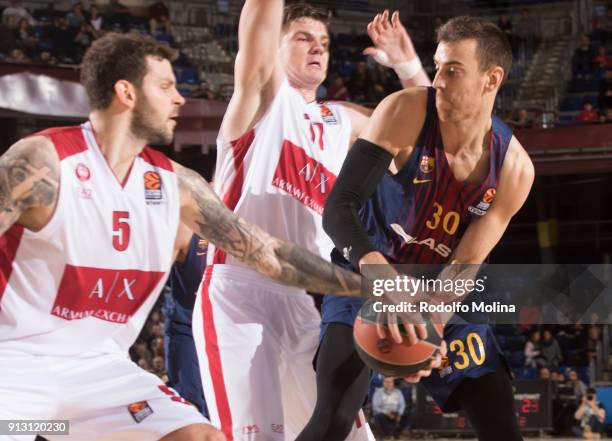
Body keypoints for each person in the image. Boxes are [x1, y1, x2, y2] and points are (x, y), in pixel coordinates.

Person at [0, 32, 366, 441]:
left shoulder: (177, 187)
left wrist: (367, 285)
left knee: (198, 436)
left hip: (101, 374)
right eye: (166, 86)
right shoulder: (42, 164)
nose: (179, 99)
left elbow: (270, 255)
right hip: (14, 367)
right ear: (126, 92)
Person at [192, 2, 431, 440]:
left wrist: (407, 64)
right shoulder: (264, 97)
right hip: (240, 292)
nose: (317, 48)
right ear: (276, 46)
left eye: (323, 42)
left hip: (305, 303)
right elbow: (257, 28)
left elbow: (429, 136)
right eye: (303, 38)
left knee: (351, 434)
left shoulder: (343, 121)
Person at [322, 15, 534, 441]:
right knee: (333, 422)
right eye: (437, 67)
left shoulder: (514, 168)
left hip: (440, 290)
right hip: (367, 272)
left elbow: (468, 261)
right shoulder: (406, 110)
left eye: (453, 70)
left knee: (503, 431)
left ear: (492, 79)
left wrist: (431, 326)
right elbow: (339, 210)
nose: (438, 80)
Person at [164, 223, 209, 417]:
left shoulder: (242, 221)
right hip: (188, 331)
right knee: (192, 412)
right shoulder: (182, 226)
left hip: (229, 332)